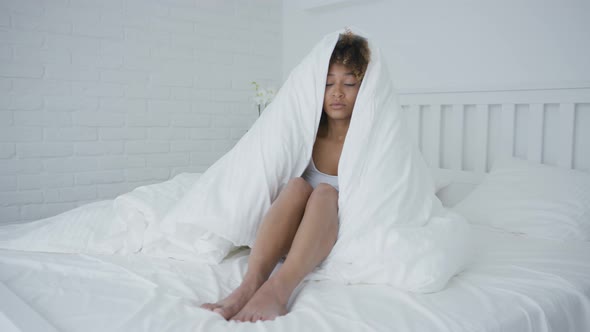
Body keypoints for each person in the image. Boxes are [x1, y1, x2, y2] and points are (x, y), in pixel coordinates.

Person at [200, 31, 371, 323]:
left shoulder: (370, 138)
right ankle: (249, 285)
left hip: (327, 238)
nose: (337, 92)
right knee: (295, 186)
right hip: (289, 238)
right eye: (328, 82)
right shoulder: (306, 133)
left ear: (366, 88)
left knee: (325, 193)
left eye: (350, 83)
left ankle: (278, 291)